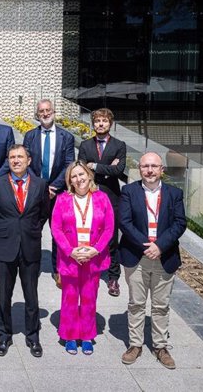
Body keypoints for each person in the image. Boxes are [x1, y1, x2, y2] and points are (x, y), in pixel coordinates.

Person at [118, 152, 186, 369]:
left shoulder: (174, 193)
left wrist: (160, 246)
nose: (149, 170)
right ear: (140, 169)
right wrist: (147, 246)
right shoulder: (129, 191)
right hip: (136, 255)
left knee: (161, 305)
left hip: (164, 256)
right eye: (145, 166)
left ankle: (160, 346)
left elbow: (179, 223)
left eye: (154, 166)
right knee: (136, 303)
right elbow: (125, 222)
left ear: (161, 170)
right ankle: (135, 344)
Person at [0, 144, 49, 358]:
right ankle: (4, 334)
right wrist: (4, 231)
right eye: (12, 157)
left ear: (29, 161)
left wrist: (30, 230)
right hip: (6, 246)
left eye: (20, 157)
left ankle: (33, 336)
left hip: (31, 246)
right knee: (4, 295)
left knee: (31, 295)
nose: (16, 161)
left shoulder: (41, 185)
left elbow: (43, 214)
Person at [50, 161, 114, 355]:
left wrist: (96, 250)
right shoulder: (62, 199)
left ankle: (86, 335)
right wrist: (70, 251)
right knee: (69, 297)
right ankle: (69, 335)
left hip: (93, 257)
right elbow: (56, 228)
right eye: (74, 176)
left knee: (89, 296)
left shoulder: (102, 198)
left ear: (89, 175)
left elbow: (110, 228)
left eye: (81, 174)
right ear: (70, 181)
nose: (79, 179)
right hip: (71, 257)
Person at [22, 98, 75, 288]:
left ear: (53, 112)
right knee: (33, 231)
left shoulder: (66, 137)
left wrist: (54, 187)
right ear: (37, 114)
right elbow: (25, 163)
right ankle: (31, 267)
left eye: (48, 110)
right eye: (41, 111)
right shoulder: (29, 136)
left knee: (58, 233)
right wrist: (41, 187)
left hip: (58, 194)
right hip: (37, 193)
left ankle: (57, 268)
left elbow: (69, 163)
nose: (45, 114)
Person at [77, 108, 126, 297]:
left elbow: (120, 170)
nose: (101, 124)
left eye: (104, 121)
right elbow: (81, 170)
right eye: (97, 121)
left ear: (110, 124)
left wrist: (95, 166)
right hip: (90, 195)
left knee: (112, 238)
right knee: (91, 235)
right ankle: (91, 271)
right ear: (93, 123)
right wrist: (107, 168)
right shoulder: (85, 145)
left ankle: (113, 278)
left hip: (112, 196)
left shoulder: (119, 145)